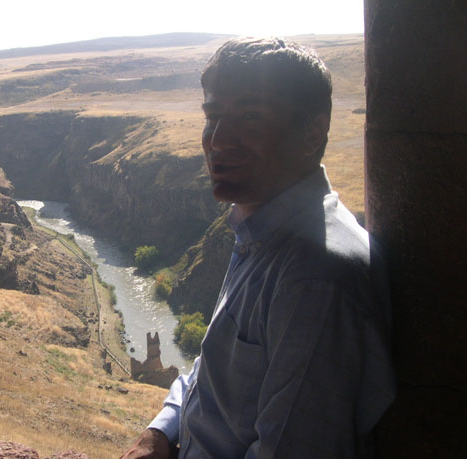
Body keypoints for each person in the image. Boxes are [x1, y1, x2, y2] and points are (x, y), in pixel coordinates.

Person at [121, 37, 395, 458]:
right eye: (213, 116)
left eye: (250, 117)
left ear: (312, 133)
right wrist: (161, 430)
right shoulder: (261, 234)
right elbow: (218, 367)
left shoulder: (314, 279)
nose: (218, 139)